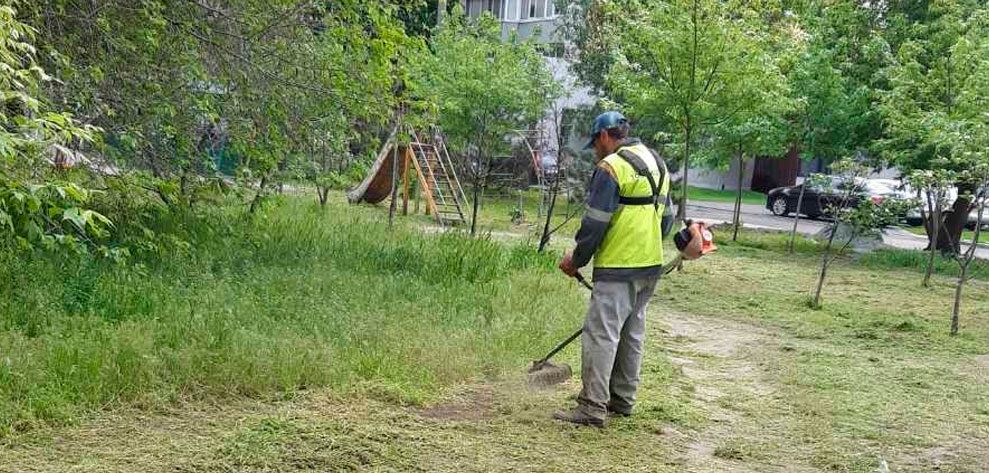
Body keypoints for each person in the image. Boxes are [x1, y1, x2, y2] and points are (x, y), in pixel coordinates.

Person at [555, 111, 674, 427]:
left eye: (595, 142)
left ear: (606, 136)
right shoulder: (657, 163)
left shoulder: (611, 167)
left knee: (601, 334)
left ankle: (592, 407)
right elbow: (666, 220)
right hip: (650, 266)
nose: (595, 149)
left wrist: (576, 260)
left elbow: (595, 223)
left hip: (619, 266)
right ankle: (622, 401)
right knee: (631, 333)